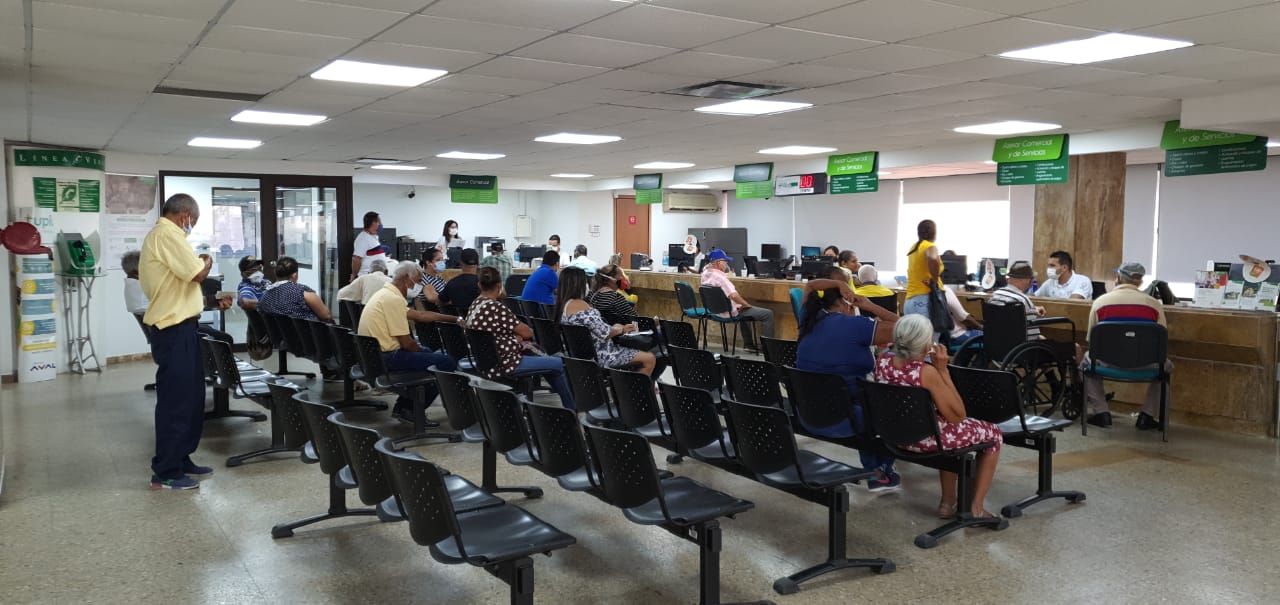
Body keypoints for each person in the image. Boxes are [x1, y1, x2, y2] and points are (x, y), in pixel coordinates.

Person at [139, 193, 229, 490]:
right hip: (173, 330)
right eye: (194, 221)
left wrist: (212, 301)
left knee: (191, 399)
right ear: (185, 215)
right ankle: (165, 471)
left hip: (184, 326)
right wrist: (206, 258)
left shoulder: (165, 236)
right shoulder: (168, 234)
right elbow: (196, 274)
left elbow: (178, 289)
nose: (192, 226)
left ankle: (181, 457)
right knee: (175, 402)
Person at [874, 314, 1003, 520]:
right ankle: (976, 507)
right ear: (926, 344)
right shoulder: (926, 372)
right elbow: (958, 416)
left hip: (894, 435)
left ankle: (948, 503)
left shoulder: (883, 360)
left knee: (943, 426)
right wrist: (943, 370)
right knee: (993, 433)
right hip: (925, 439)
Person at [794, 276, 900, 490]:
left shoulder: (808, 319)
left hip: (807, 414)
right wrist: (869, 306)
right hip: (843, 420)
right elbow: (907, 327)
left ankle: (875, 469)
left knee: (862, 402)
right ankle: (879, 472)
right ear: (845, 302)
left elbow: (811, 285)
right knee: (889, 408)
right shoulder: (855, 326)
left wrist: (838, 285)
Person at [358, 262, 459, 422]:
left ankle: (404, 408)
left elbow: (421, 315)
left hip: (375, 356)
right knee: (446, 362)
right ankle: (412, 410)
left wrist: (456, 319)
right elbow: (407, 343)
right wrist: (423, 355)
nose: (419, 286)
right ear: (406, 279)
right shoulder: (392, 300)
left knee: (427, 352)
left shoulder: (385, 294)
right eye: (418, 281)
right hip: (388, 357)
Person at [466, 267, 575, 409]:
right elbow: (528, 333)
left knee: (549, 364)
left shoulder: (475, 305)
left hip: (487, 362)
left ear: (479, 285)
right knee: (558, 364)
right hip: (507, 362)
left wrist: (514, 338)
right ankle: (572, 408)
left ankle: (570, 406)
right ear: (500, 285)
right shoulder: (496, 308)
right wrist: (516, 338)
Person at [1080, 262, 1171, 430]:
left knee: (1086, 362)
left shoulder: (1100, 303)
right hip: (1145, 365)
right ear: (1140, 282)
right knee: (1165, 365)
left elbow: (1092, 341)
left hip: (1108, 363)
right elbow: (1161, 344)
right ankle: (1147, 415)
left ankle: (1101, 413)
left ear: (1119, 278)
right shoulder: (1154, 305)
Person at [558, 267, 657, 375]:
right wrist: (622, 329)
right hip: (602, 354)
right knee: (650, 358)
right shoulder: (584, 305)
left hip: (579, 353)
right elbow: (605, 333)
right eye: (585, 281)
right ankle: (638, 390)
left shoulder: (564, 306)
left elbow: (596, 327)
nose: (587, 285)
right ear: (578, 284)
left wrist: (616, 327)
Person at [124, 249, 233, 345]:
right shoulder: (143, 288)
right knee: (225, 338)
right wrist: (213, 300)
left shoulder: (133, 285)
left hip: (169, 331)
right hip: (175, 332)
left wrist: (211, 300)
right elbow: (179, 300)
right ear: (139, 269)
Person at [701, 249, 774, 344]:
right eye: (725, 261)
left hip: (714, 312)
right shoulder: (720, 278)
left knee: (742, 309)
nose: (727, 264)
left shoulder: (704, 274)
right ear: (719, 262)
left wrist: (742, 305)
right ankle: (768, 348)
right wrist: (746, 304)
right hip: (729, 313)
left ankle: (749, 345)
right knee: (767, 314)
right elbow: (733, 295)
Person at [989, 261, 1045, 340]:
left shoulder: (995, 295)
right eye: (1031, 279)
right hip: (1020, 345)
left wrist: (1033, 309)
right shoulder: (1023, 299)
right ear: (1025, 280)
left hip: (997, 342)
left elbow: (1007, 311)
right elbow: (1033, 334)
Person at [902, 219, 942, 319]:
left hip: (910, 301)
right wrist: (935, 280)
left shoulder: (913, 248)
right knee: (929, 334)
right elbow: (932, 258)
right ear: (934, 233)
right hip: (924, 300)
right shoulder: (929, 246)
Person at [352, 211, 384, 278]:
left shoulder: (373, 237)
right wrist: (354, 275)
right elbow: (356, 259)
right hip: (367, 276)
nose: (381, 225)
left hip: (376, 276)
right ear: (373, 223)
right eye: (379, 222)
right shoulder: (363, 238)